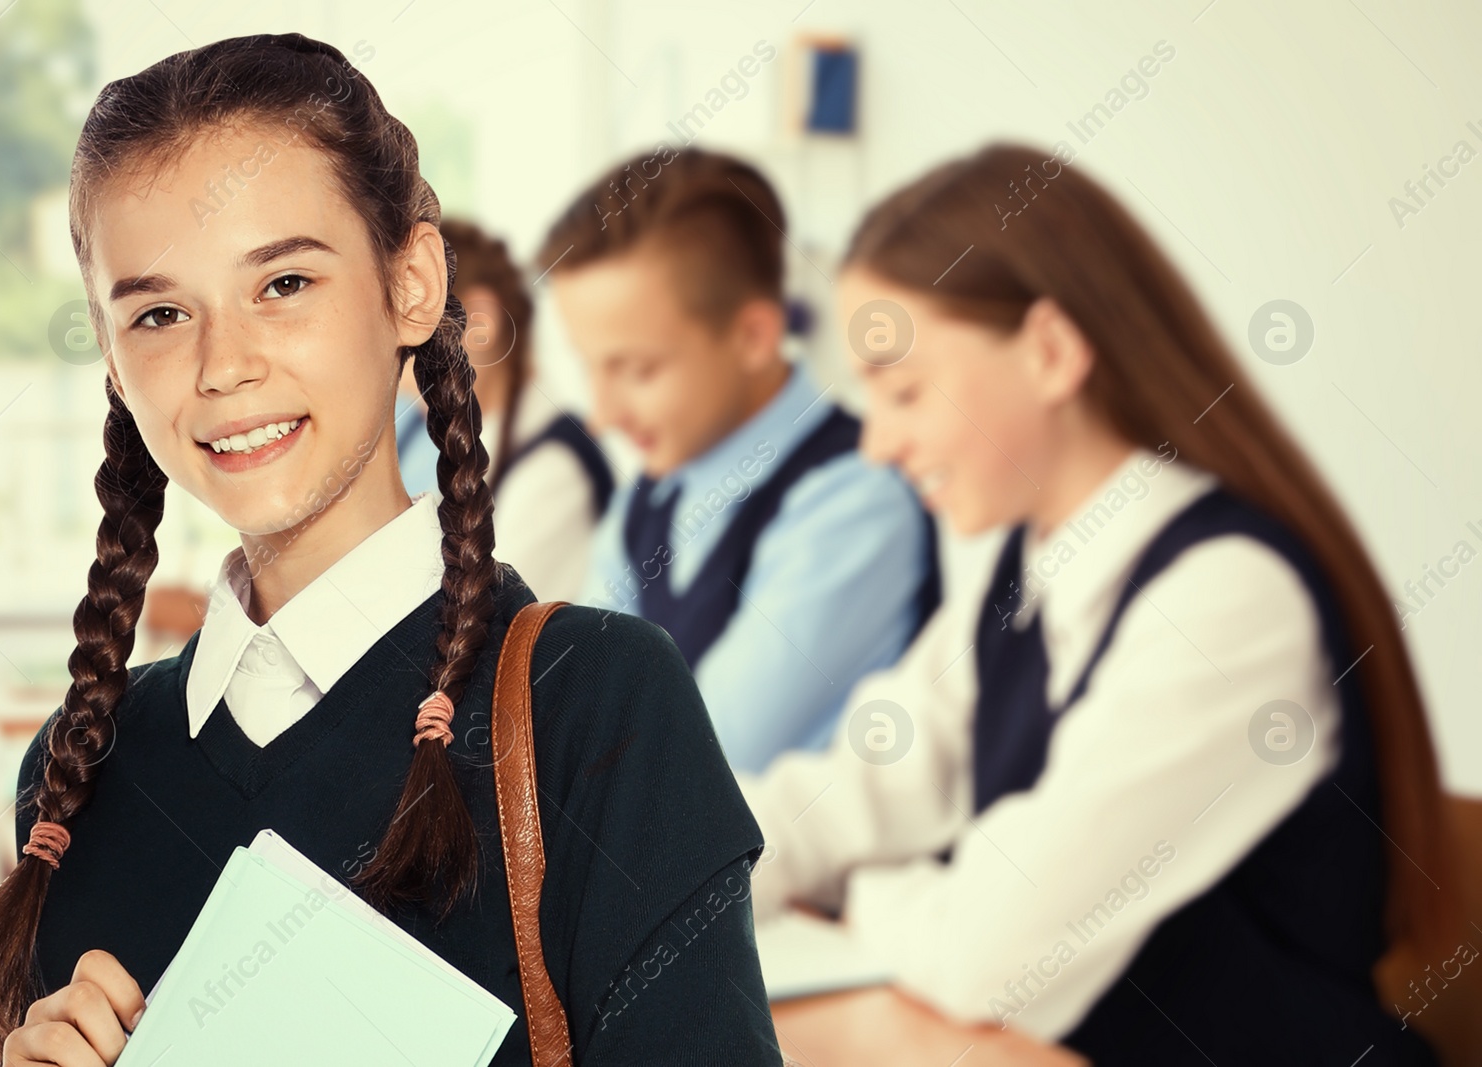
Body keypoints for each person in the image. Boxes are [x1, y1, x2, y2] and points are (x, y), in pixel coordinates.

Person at [0, 34, 781, 1067]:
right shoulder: (78, 767)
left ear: (412, 282)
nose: (223, 364)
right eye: (158, 313)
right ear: (111, 360)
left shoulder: (595, 705)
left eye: (283, 283)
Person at [737, 144, 1457, 1065]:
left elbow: (988, 955)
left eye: (905, 390)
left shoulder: (1231, 601)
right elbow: (854, 791)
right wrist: (689, 862)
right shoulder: (1026, 569)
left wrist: (858, 892)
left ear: (1050, 351)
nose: (876, 442)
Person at [539, 147, 941, 773]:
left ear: (753, 337)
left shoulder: (855, 495)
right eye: (592, 366)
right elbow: (569, 718)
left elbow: (694, 763)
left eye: (638, 369)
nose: (603, 414)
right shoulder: (645, 499)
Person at [395, 219, 612, 602]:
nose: (399, 376)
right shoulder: (417, 431)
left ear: (480, 322)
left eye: (412, 336)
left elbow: (487, 620)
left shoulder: (555, 469)